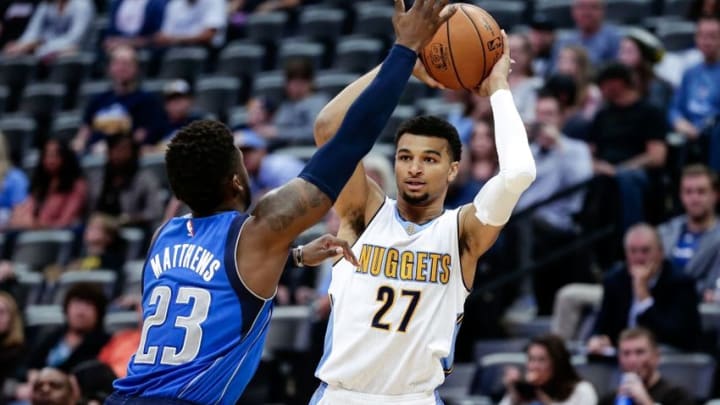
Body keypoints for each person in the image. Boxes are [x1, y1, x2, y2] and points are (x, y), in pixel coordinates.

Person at [108, 1, 454, 403]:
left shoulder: (162, 238)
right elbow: (347, 143)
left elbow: (211, 282)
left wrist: (292, 257)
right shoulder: (257, 232)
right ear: (237, 179)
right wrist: (404, 49)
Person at [310, 26, 537, 404]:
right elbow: (328, 128)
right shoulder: (362, 213)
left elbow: (519, 173)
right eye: (405, 157)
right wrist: (401, 62)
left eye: (430, 159)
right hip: (341, 395)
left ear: (452, 169)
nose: (414, 168)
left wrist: (499, 87)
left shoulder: (462, 232)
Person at [587, 224, 701, 354]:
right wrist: (598, 339)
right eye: (633, 251)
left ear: (660, 252)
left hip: (666, 359)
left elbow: (679, 337)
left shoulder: (680, 283)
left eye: (645, 251)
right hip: (619, 359)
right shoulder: (615, 280)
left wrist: (644, 297)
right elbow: (601, 326)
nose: (639, 258)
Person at [658, 164, 720, 298]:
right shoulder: (664, 232)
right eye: (688, 192)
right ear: (681, 195)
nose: (694, 198)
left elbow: (713, 286)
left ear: (715, 195)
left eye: (701, 191)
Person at [598, 327, 694, 405]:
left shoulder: (677, 396)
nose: (632, 360)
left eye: (640, 352)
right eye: (626, 353)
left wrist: (646, 402)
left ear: (656, 356)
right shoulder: (610, 399)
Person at [500, 334, 597, 405]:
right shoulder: (523, 389)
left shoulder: (582, 390)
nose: (534, 366)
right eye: (531, 359)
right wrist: (513, 395)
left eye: (542, 360)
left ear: (558, 363)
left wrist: (543, 400)